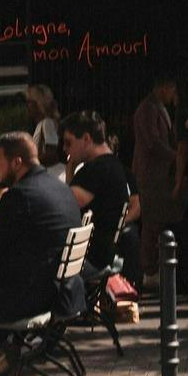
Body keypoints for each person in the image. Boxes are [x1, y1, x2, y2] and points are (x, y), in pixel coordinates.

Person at [0, 132, 87, 376]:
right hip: (61, 291)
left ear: (16, 162)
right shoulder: (60, 188)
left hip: (31, 299)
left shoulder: (19, 196)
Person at [62, 111, 139, 282]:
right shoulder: (117, 167)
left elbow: (64, 208)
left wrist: (69, 172)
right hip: (107, 255)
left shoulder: (93, 171)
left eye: (69, 142)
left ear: (87, 138)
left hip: (88, 259)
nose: (65, 149)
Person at [132, 75, 184, 286]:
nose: (174, 95)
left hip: (159, 174)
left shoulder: (158, 108)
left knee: (157, 220)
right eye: (172, 89)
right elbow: (152, 142)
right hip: (150, 174)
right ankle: (149, 270)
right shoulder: (148, 109)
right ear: (164, 87)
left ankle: (154, 266)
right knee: (151, 222)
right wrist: (175, 155)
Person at [26, 84, 66, 177]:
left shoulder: (47, 123)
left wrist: (28, 162)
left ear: (38, 103)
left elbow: (51, 154)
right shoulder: (43, 124)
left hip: (53, 174)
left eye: (29, 102)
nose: (27, 106)